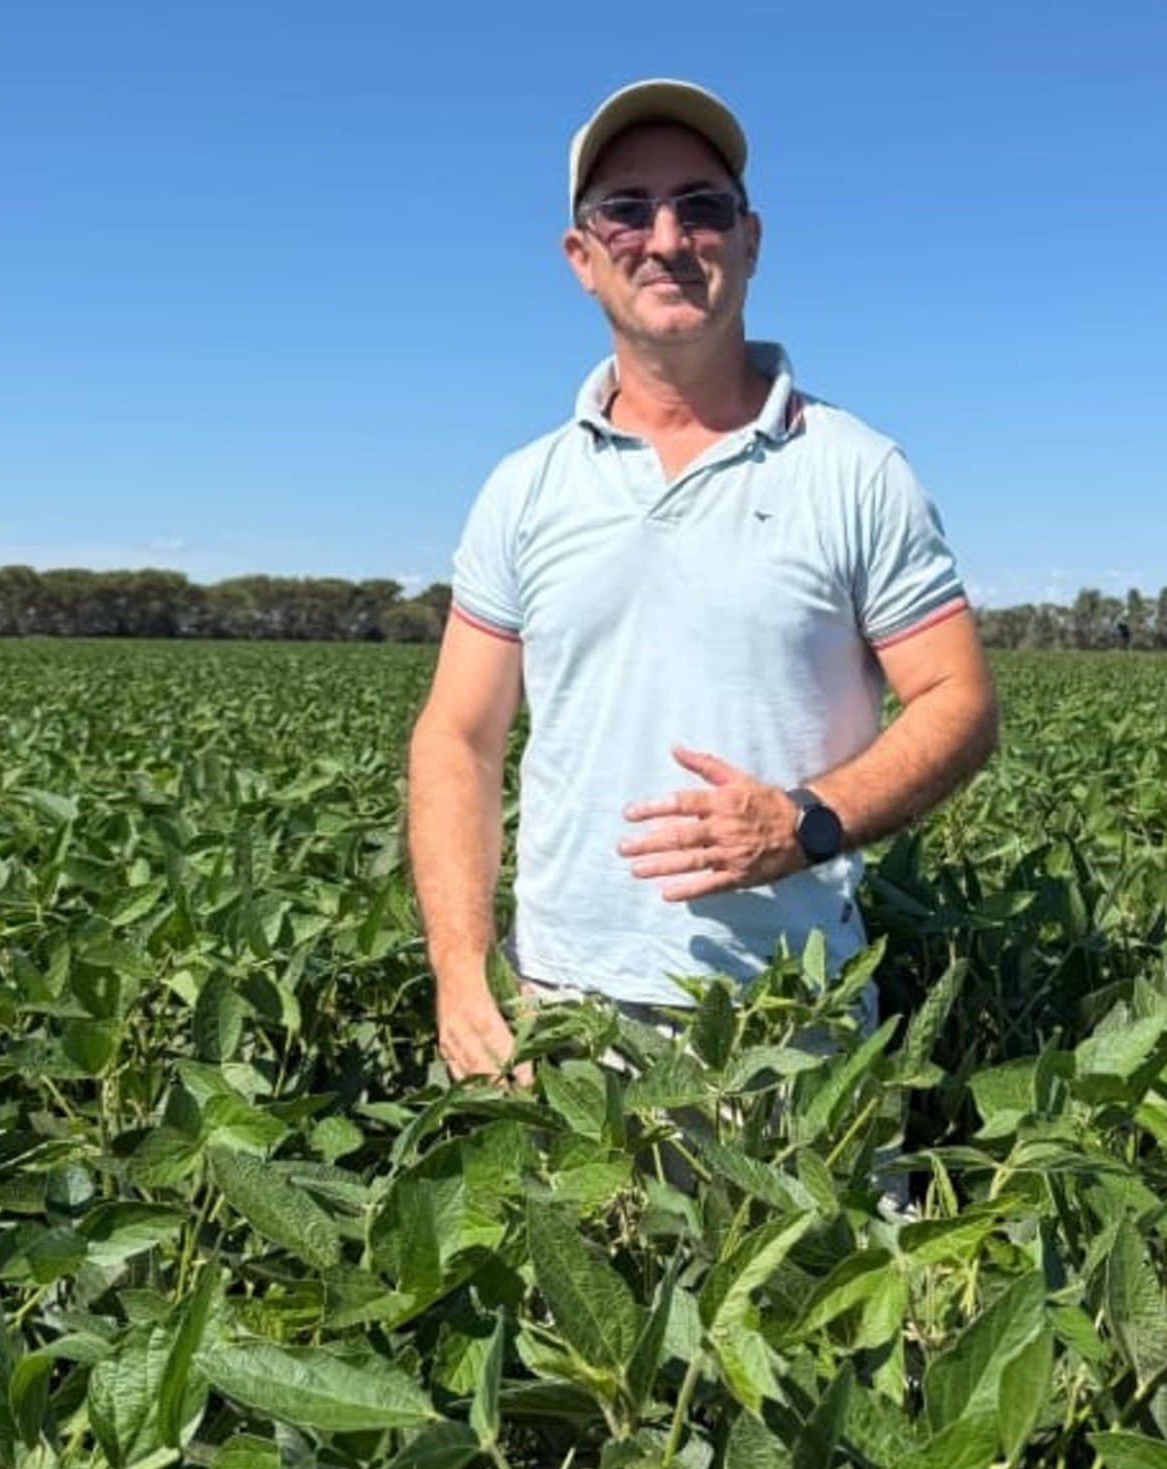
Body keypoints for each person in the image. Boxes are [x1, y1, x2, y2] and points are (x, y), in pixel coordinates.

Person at [407, 79, 998, 1082]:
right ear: (580, 257)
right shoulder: (524, 487)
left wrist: (805, 820)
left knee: (819, 1246)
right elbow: (455, 736)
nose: (668, 236)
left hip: (789, 1018)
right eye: (625, 210)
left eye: (701, 206)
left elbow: (959, 702)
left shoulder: (853, 469)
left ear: (750, 240)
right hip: (559, 1008)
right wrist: (461, 972)